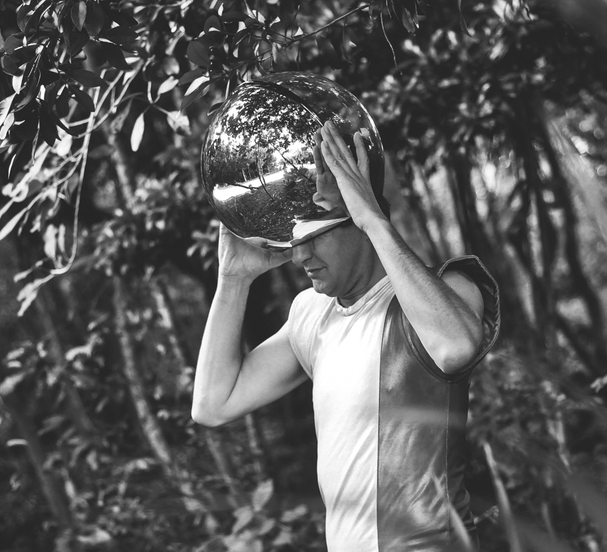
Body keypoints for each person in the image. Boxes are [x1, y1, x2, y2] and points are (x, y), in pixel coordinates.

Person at [189, 120, 500, 549]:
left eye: (316, 236)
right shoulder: (311, 314)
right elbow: (212, 404)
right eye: (295, 239)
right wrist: (233, 279)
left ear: (360, 217)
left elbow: (456, 347)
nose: (299, 255)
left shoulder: (447, 288)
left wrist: (372, 217)